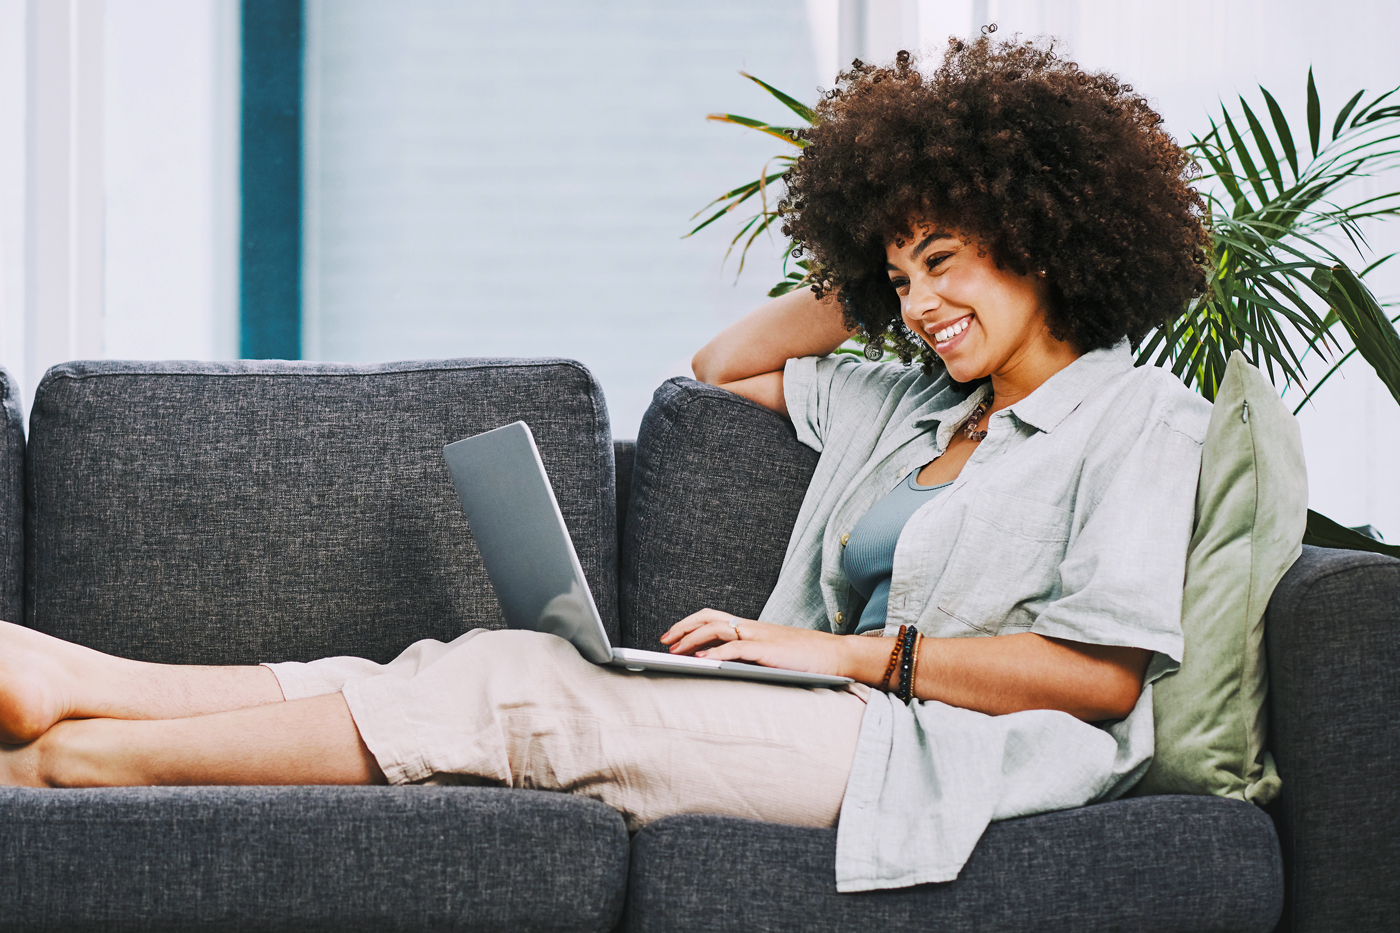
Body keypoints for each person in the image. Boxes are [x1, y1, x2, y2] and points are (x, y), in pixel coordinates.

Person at [0, 34, 1212, 891]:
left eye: (945, 259)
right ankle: (74, 676)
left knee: (522, 700)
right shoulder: (900, 405)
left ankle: (85, 760)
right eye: (902, 274)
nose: (922, 299)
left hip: (928, 757)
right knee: (474, 659)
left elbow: (1098, 678)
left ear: (1041, 230)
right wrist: (880, 282)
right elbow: (722, 361)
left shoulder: (1136, 415)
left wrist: (833, 651)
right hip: (819, 711)